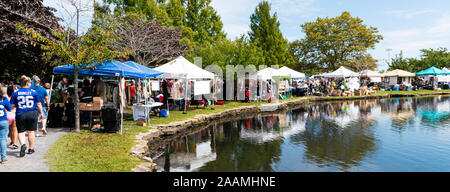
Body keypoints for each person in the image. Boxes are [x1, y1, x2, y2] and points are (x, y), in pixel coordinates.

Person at [10, 75, 44, 157]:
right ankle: (31, 149)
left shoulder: (15, 93)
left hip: (20, 113)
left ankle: (23, 145)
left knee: (21, 132)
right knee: (31, 131)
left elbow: (12, 105)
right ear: (28, 83)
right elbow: (38, 104)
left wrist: (17, 106)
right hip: (32, 113)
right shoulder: (33, 92)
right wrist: (41, 113)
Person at [0, 87, 12, 164]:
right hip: (3, 121)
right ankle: (3, 158)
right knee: (2, 140)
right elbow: (10, 109)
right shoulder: (4, 99)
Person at [6, 85, 18, 150]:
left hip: (7, 115)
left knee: (10, 130)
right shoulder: (15, 96)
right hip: (14, 114)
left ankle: (12, 141)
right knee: (15, 129)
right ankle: (15, 143)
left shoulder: (5, 97)